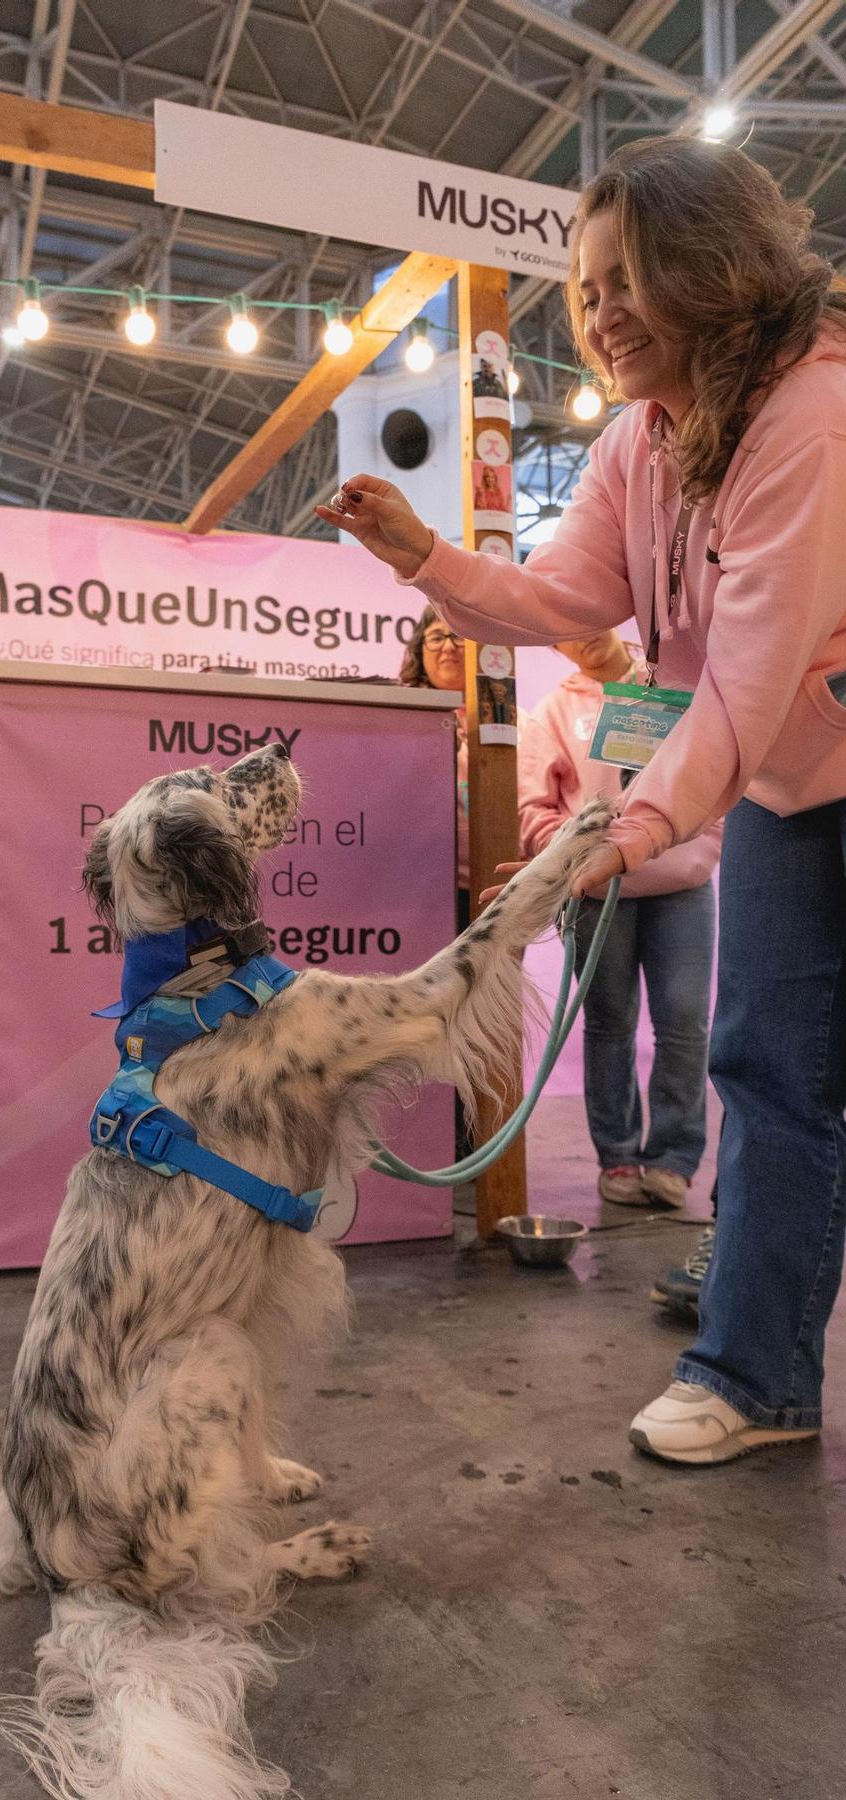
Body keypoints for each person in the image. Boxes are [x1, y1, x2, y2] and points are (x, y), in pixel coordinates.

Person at [319, 135, 846, 1467]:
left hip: (801, 762)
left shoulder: (812, 417)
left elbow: (742, 678)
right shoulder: (642, 440)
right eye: (585, 287)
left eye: (625, 280)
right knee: (766, 1070)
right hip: (795, 788)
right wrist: (426, 556)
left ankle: (750, 1339)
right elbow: (565, 601)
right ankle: (758, 1375)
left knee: (777, 1071)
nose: (599, 312)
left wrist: (622, 834)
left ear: (706, 269)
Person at [518, 629, 721, 1210]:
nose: (580, 632)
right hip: (595, 892)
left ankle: (675, 1159)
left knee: (683, 1022)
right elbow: (535, 804)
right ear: (555, 647)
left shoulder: (679, 686)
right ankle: (619, 1155)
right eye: (563, 631)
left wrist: (702, 847)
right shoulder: (557, 711)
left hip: (681, 883)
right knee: (609, 1023)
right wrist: (573, 855)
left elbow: (716, 771)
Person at [398, 606, 470, 920]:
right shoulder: (402, 716)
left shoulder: (513, 721)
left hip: (497, 887)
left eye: (459, 636)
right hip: (418, 887)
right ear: (419, 649)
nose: (448, 646)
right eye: (436, 637)